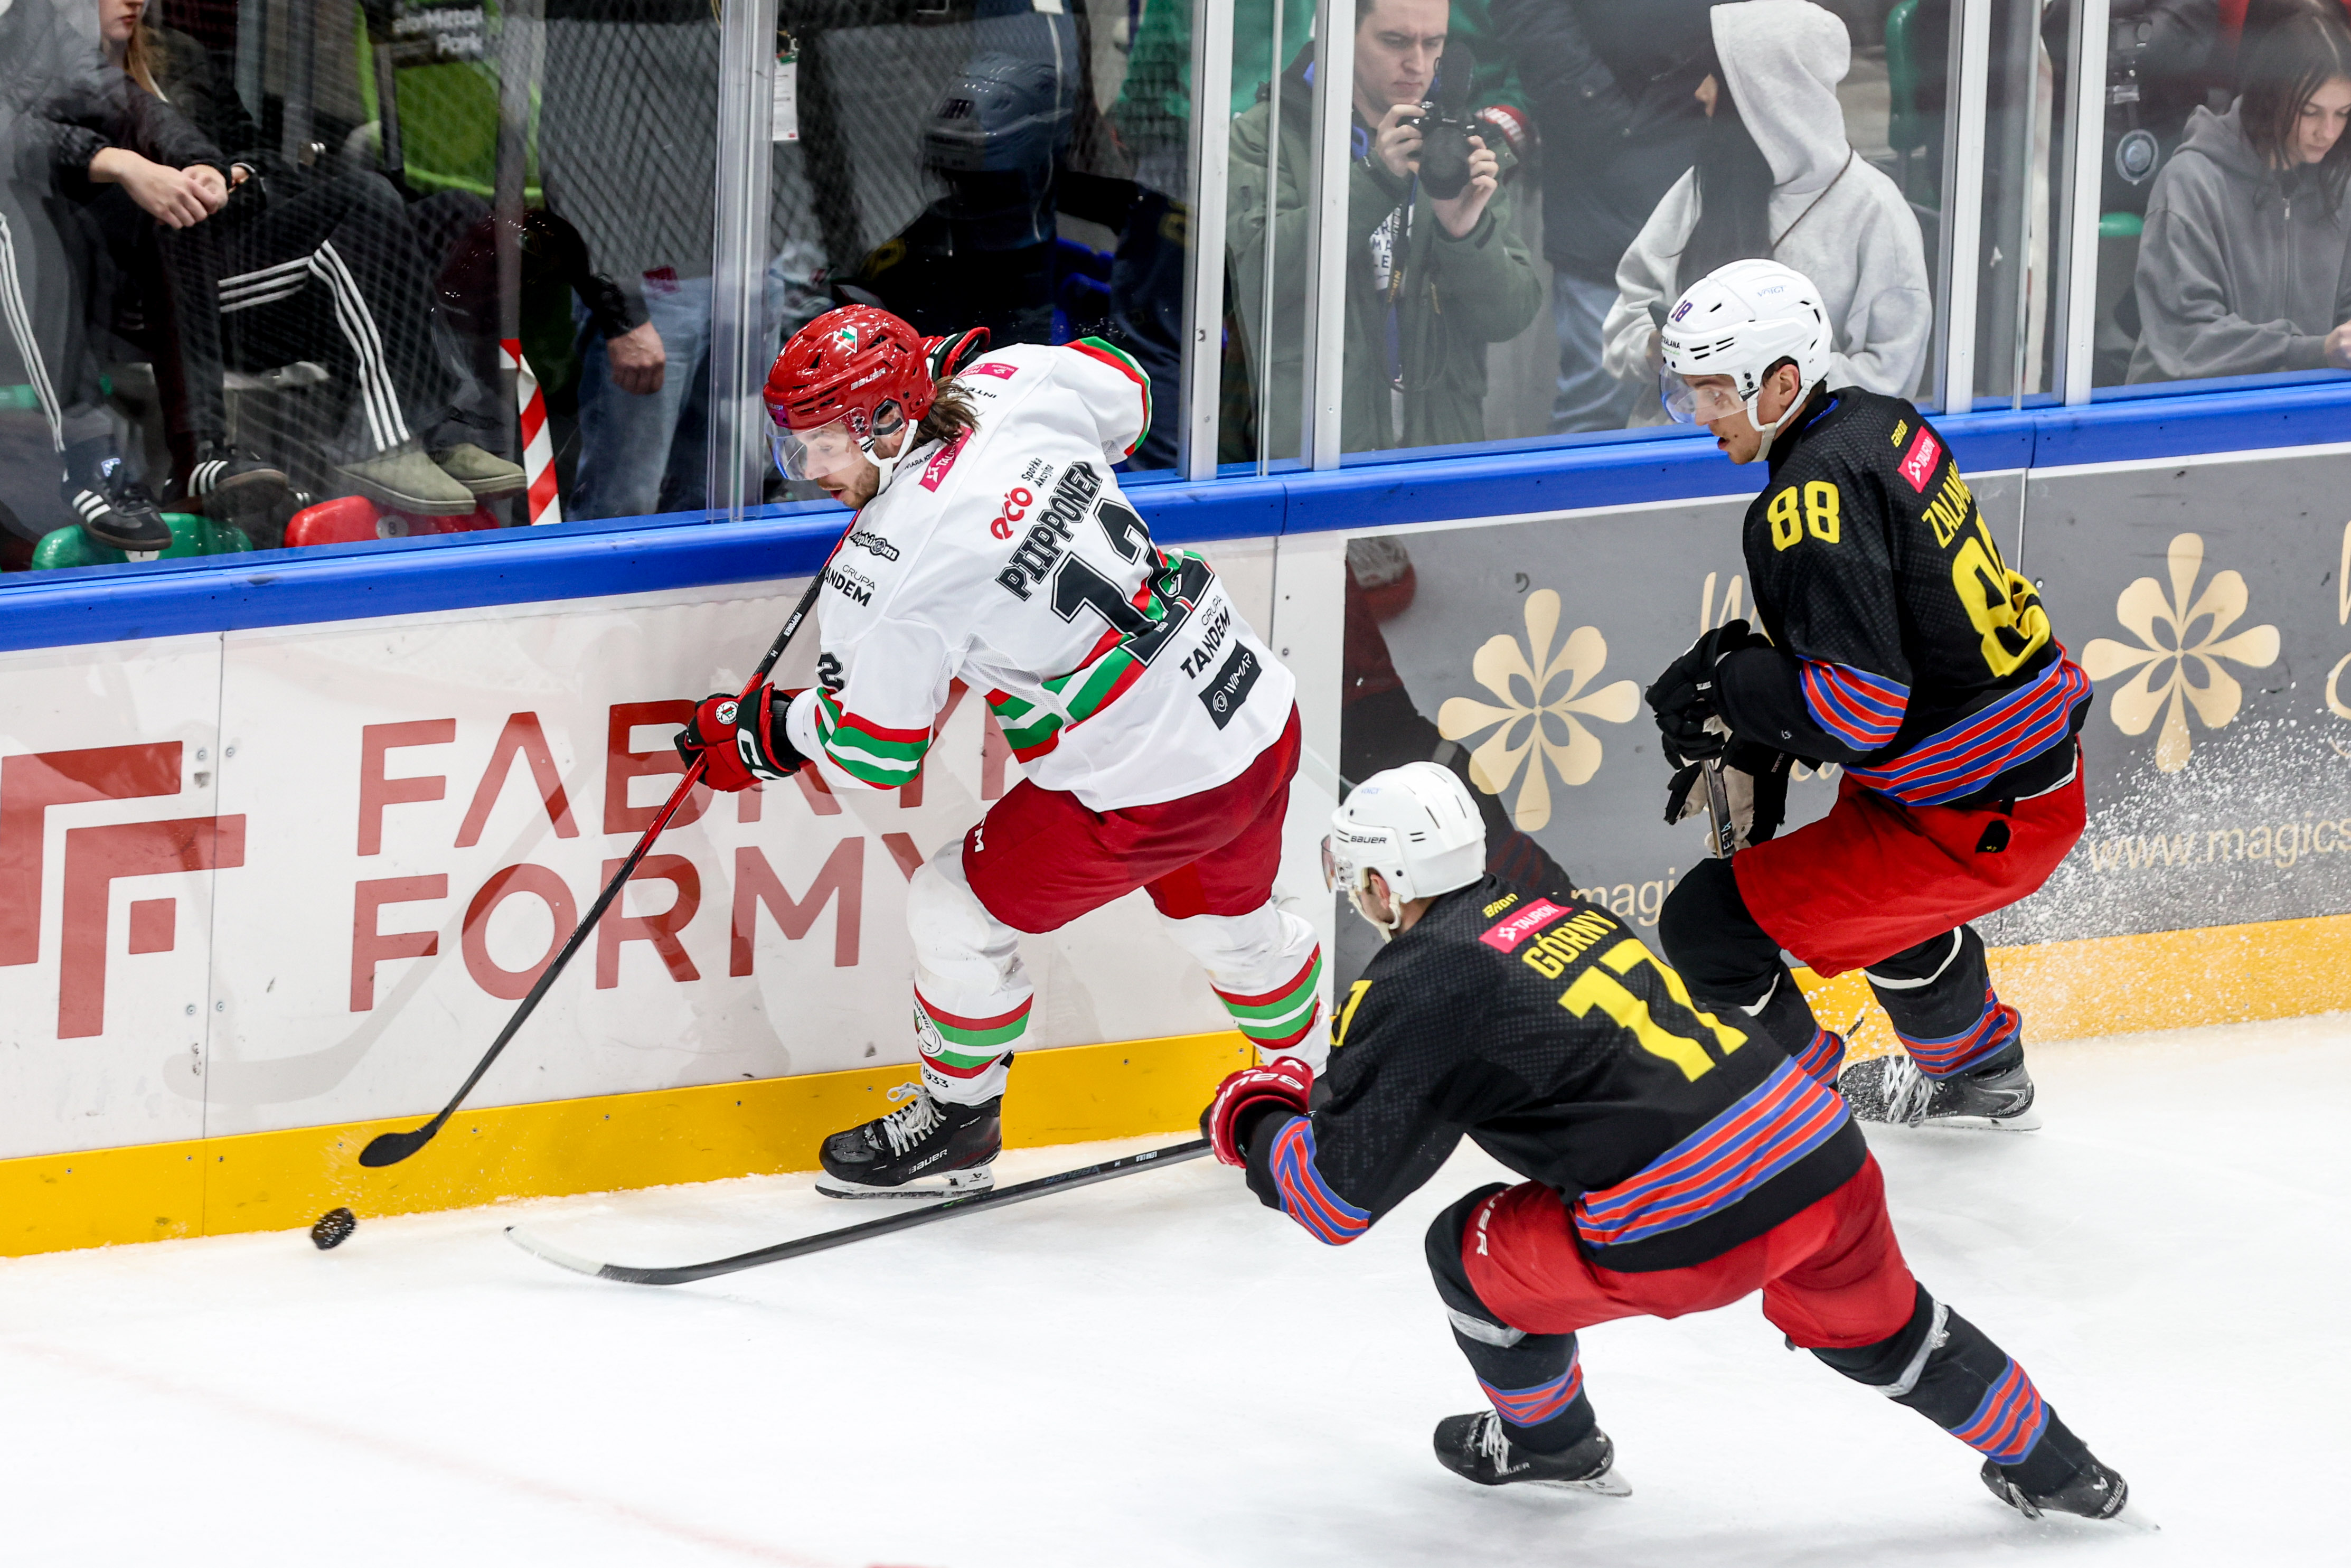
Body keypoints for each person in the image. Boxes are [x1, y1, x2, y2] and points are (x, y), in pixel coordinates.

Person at [1200, 761, 2131, 1520]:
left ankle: (1552, 1444)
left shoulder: (1417, 979)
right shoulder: (1562, 911)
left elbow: (1333, 1200)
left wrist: (1256, 1117)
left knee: (1463, 1249)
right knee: (1891, 1332)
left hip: (1689, 1221)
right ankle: (2063, 1469)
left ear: (1381, 881)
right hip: (1819, 1148)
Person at [673, 305, 1322, 1197]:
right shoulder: (1012, 379)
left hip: (1148, 779)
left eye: (826, 443)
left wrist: (769, 732)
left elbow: (874, 754)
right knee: (1233, 927)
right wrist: (964, 385)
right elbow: (1130, 392)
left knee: (953, 909)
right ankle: (1318, 1081)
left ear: (889, 419)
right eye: (798, 446)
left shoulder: (887, 566)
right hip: (1252, 708)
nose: (813, 469)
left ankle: (958, 1122)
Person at [1641, 258, 2093, 1131]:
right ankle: (1982, 1077)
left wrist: (1732, 685)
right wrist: (1757, 719)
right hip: (2006, 775)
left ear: (1781, 383)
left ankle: (1800, 1110)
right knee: (1882, 914)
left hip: (1969, 809)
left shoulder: (1807, 495)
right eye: (1689, 390)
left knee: (1706, 924)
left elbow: (1856, 709)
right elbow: (1896, 640)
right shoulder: (1881, 422)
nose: (1700, 414)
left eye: (1715, 392)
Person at [69, 0, 524, 518]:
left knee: (452, 215)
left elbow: (258, 153)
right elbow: (81, 206)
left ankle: (442, 427)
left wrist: (237, 176)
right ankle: (385, 438)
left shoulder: (180, 56)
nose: (133, 0)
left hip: (244, 245)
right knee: (363, 203)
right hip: (163, 287)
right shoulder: (62, 76)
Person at [1227, 0, 1542, 457]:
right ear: (1340, 34)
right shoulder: (1268, 134)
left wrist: (1465, 234)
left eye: (1433, 43)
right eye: (1395, 42)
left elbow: (1510, 316)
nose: (1417, 64)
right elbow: (1251, 281)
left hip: (1437, 447)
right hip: (1313, 450)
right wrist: (1374, 181)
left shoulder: (1459, 142)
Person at [1601, 1, 1930, 418]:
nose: (1701, 92)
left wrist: (1764, 383)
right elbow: (1626, 319)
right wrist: (1658, 349)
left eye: (1719, 79)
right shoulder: (1706, 183)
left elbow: (1890, 375)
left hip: (1804, 451)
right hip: (1682, 438)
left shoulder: (1874, 211)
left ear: (1769, 96)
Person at [1488, 0, 1715, 433]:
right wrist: (1607, 117)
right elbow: (1533, 17)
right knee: (1599, 408)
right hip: (1604, 174)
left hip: (1714, 155)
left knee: (1719, 404)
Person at [2127, 3, 2351, 381]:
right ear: (2271, 98)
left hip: (2300, 406)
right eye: (2311, 112)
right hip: (2190, 408)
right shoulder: (2193, 182)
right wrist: (2310, 351)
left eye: (2343, 113)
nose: (2328, 132)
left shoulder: (2340, 186)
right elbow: (2187, 340)